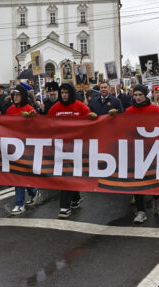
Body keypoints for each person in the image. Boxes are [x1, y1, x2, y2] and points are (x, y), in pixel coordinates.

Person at [48, 83, 94, 218]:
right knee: (67, 175)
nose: (64, 95)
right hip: (60, 147)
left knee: (70, 174)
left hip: (76, 147)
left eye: (66, 92)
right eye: (62, 92)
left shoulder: (81, 107)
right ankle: (71, 201)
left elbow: (92, 122)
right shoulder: (55, 108)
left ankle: (67, 204)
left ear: (71, 93)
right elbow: (47, 124)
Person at [125, 84, 159, 223]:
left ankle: (157, 197)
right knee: (137, 181)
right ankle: (141, 211)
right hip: (135, 150)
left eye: (140, 95)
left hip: (151, 149)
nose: (137, 97)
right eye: (135, 95)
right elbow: (124, 128)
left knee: (152, 178)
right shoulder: (129, 110)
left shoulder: (154, 109)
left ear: (145, 95)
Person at [5, 84, 41, 215]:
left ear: (23, 96)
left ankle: (19, 203)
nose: (15, 97)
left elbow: (38, 127)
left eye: (18, 95)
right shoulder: (10, 110)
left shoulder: (29, 108)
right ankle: (34, 192)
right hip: (14, 146)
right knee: (20, 175)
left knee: (19, 175)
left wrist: (32, 119)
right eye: (14, 95)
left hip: (26, 147)